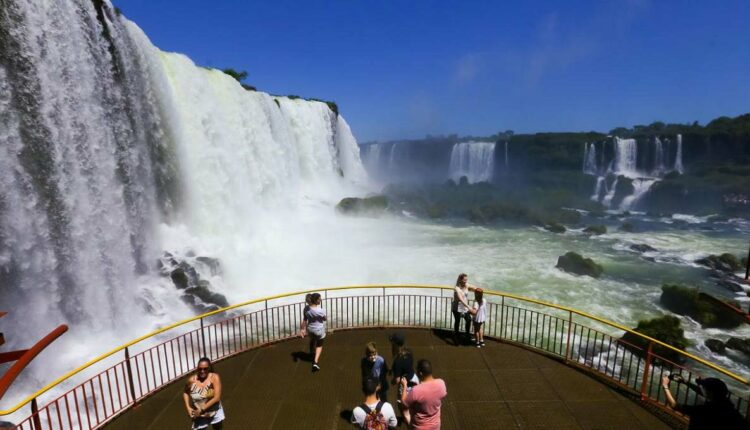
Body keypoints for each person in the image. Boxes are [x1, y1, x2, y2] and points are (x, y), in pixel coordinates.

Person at [661, 375, 748, 430]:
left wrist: (665, 385)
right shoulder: (731, 411)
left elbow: (673, 405)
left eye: (704, 388)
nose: (703, 390)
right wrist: (685, 382)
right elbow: (704, 393)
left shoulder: (703, 411)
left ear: (710, 393)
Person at [400, 359, 447, 429]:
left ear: (420, 373)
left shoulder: (416, 390)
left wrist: (404, 386)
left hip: (419, 427)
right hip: (435, 426)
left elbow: (404, 403)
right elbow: (442, 395)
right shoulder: (441, 383)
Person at [183, 357, 225, 430]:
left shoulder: (214, 377)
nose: (202, 371)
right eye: (200, 369)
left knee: (218, 428)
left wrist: (201, 409)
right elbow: (185, 392)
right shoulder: (191, 381)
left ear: (209, 368)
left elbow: (217, 398)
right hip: (199, 415)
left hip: (214, 411)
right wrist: (188, 408)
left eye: (205, 369)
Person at [389, 332, 419, 425]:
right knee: (414, 405)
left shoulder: (398, 361)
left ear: (395, 345)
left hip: (405, 384)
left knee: (403, 408)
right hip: (414, 379)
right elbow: (405, 367)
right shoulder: (409, 352)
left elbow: (397, 380)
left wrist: (392, 382)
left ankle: (411, 426)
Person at [300, 292, 326, 371]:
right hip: (319, 330)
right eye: (319, 299)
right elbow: (325, 319)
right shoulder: (320, 310)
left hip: (310, 329)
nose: (320, 300)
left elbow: (305, 320)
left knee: (312, 340)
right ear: (315, 300)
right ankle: (315, 362)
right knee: (319, 345)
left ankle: (311, 354)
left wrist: (302, 329)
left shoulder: (306, 309)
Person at [452, 273, 478, 345]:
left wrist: (479, 292)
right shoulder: (456, 288)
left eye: (466, 280)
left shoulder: (466, 285)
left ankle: (467, 335)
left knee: (468, 320)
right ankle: (456, 336)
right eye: (464, 280)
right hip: (457, 307)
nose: (466, 281)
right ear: (460, 280)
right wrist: (469, 307)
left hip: (465, 308)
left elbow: (475, 288)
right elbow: (460, 299)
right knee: (457, 321)